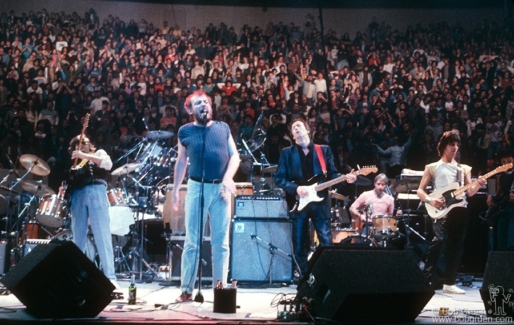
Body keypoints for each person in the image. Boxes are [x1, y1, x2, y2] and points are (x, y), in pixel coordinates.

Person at [172, 89, 240, 302]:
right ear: (190, 110)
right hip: (196, 187)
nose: (203, 105)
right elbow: (181, 161)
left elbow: (235, 156)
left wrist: (228, 178)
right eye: (198, 103)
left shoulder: (222, 128)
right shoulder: (185, 131)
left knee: (221, 242)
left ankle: (220, 287)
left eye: (206, 102)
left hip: (220, 189)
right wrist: (175, 190)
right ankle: (186, 289)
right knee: (193, 241)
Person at [274, 118, 356, 280]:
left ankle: (327, 277)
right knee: (299, 245)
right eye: (293, 128)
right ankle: (306, 279)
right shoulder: (287, 153)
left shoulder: (323, 150)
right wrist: (296, 188)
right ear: (292, 134)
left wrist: (346, 178)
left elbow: (332, 174)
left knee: (326, 242)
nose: (296, 129)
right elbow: (279, 179)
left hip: (321, 203)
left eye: (299, 126)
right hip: (299, 203)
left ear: (307, 130)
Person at [416, 131, 486, 294]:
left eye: (457, 145)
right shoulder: (432, 167)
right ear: (443, 146)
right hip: (441, 208)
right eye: (452, 144)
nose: (455, 148)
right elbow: (420, 190)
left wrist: (479, 184)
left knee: (457, 246)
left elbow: (469, 192)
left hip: (460, 208)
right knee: (439, 241)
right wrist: (430, 200)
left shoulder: (464, 168)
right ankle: (426, 279)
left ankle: (450, 282)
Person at [59, 135, 119, 289]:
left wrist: (84, 156)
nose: (81, 146)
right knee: (77, 237)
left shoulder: (98, 153)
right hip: (77, 194)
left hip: (96, 189)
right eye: (77, 145)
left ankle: (110, 277)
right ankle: (76, 276)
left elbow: (108, 164)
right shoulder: (73, 164)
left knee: (102, 234)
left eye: (84, 143)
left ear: (89, 144)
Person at [486, 149, 514, 250]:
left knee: (511, 240)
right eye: (504, 162)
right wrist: (490, 196)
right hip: (503, 208)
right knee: (500, 239)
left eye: (509, 161)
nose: (506, 164)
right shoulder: (500, 174)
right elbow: (492, 180)